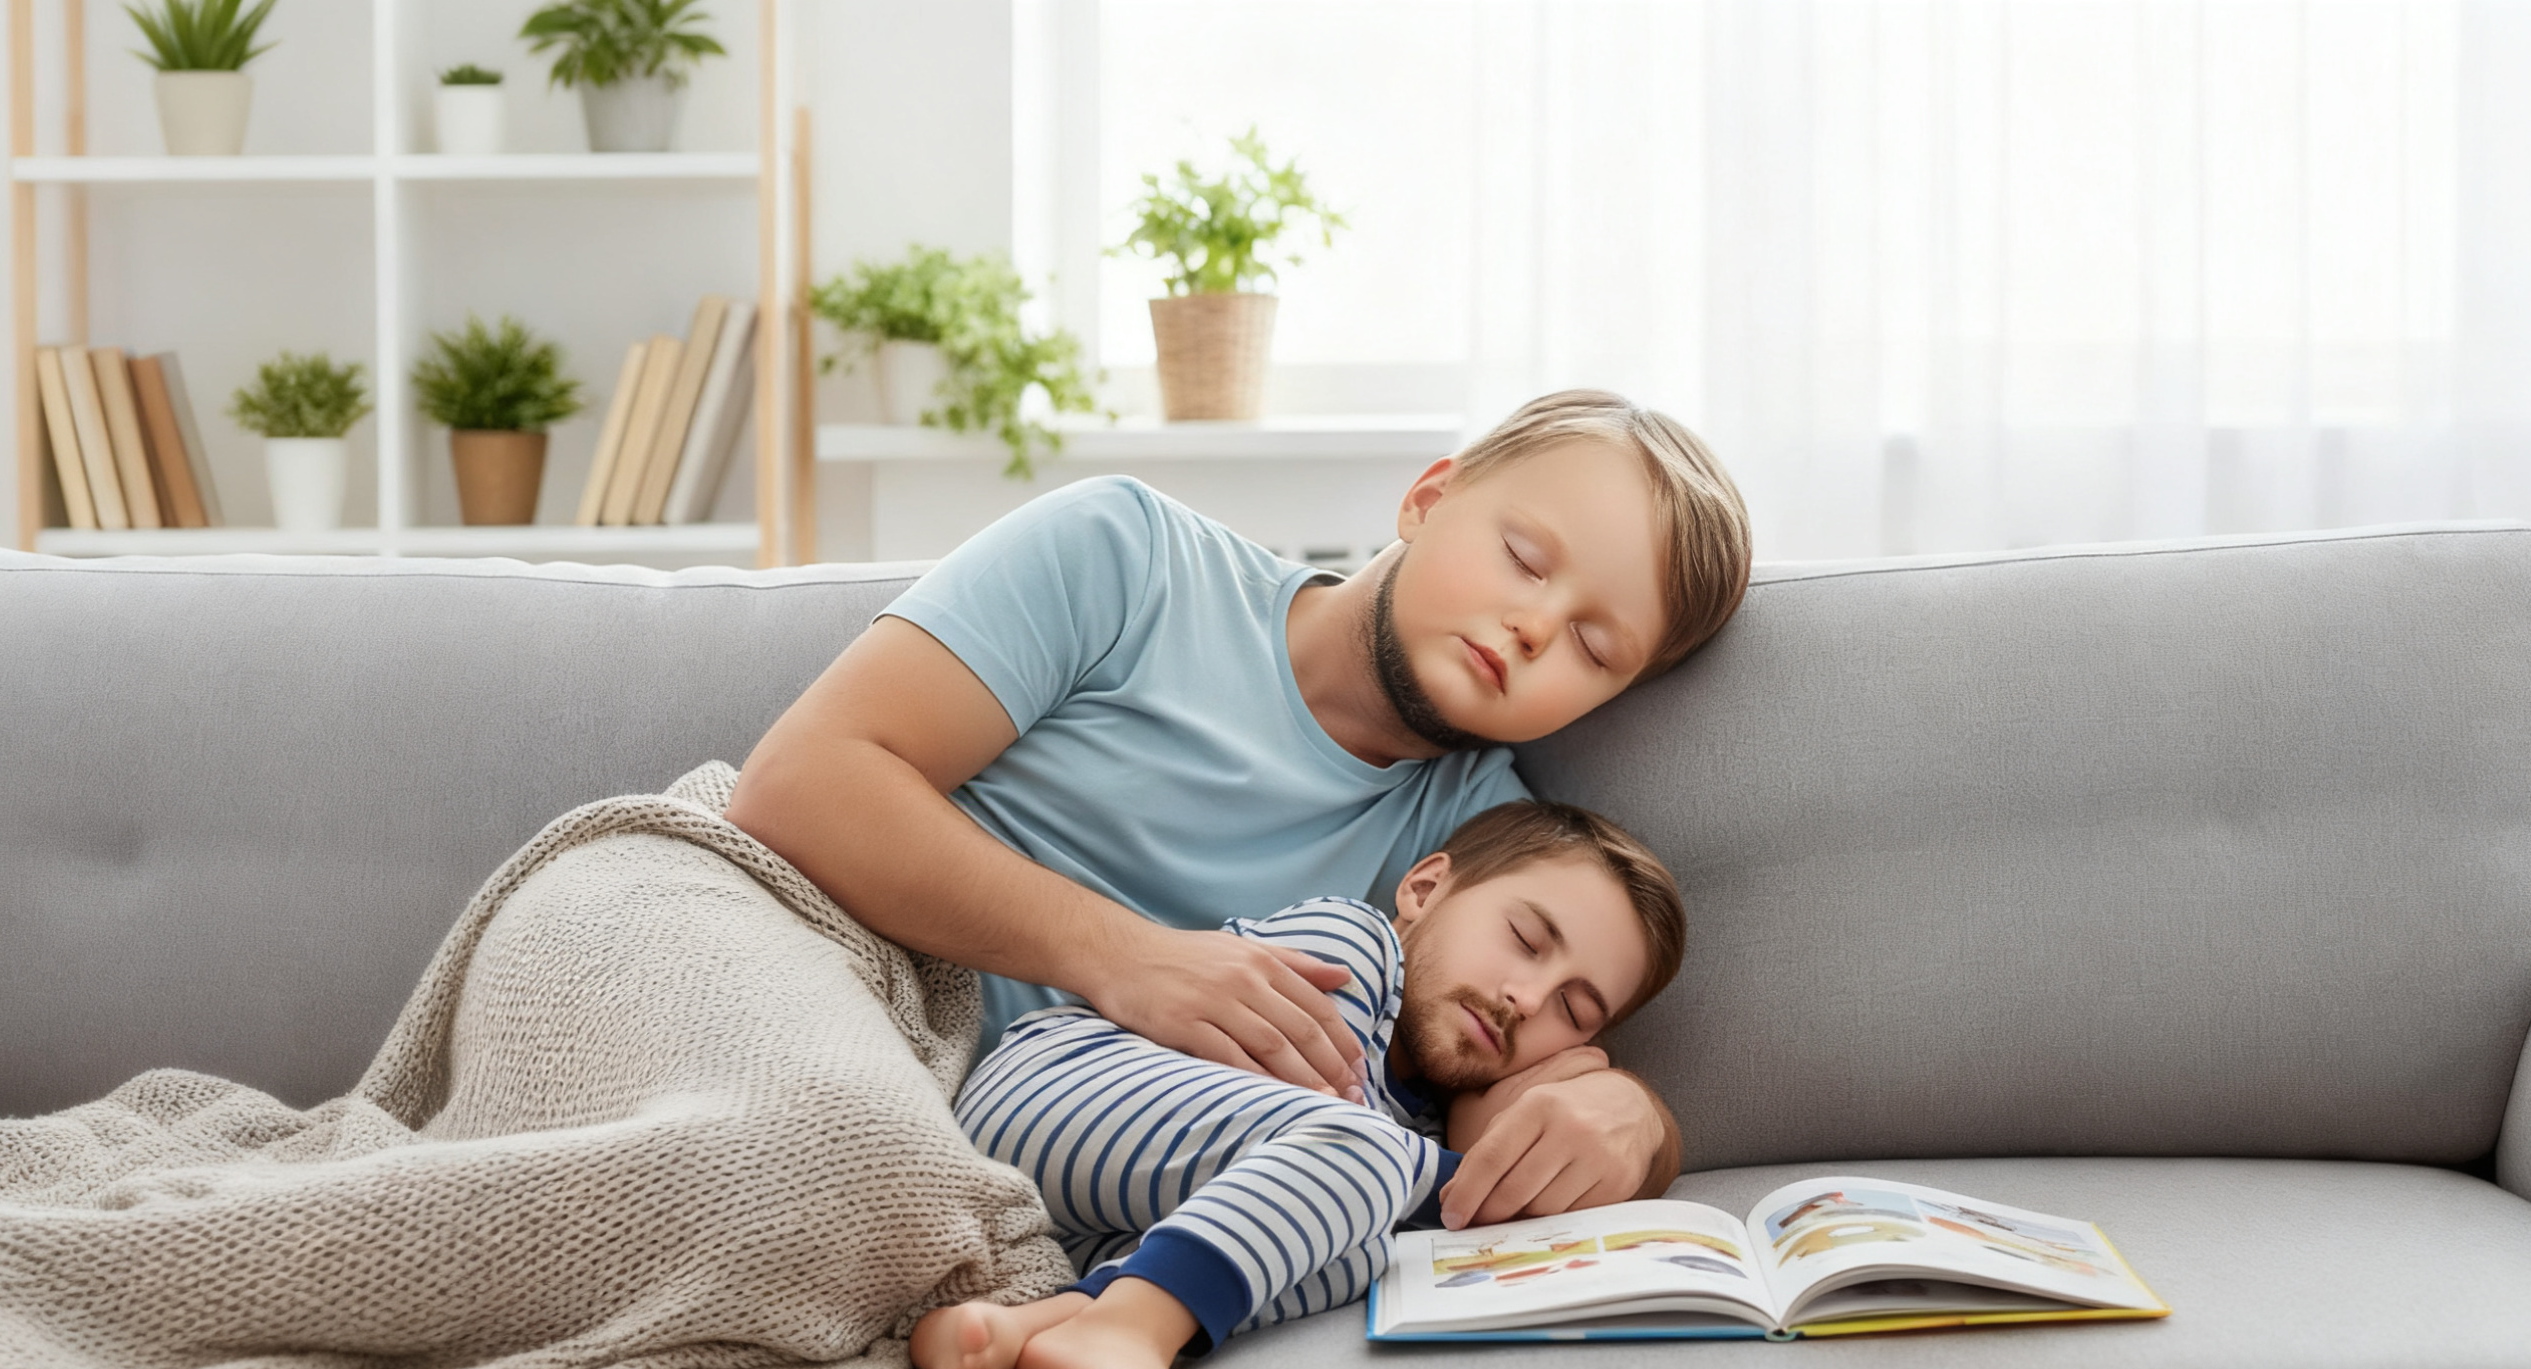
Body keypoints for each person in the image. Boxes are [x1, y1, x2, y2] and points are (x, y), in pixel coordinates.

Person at [726, 389, 1750, 1230]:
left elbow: (1465, 1107)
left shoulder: (1483, 849)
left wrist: (1639, 1121)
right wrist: (1124, 955)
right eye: (1525, 559)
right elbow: (797, 782)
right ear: (1428, 498)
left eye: (1592, 647)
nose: (1532, 625)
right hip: (804, 961)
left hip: (998, 1160)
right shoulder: (1124, 558)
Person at [915, 800, 1687, 1369]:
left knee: (1368, 1254)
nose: (1526, 997)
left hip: (1089, 1215)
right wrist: (1475, 1176)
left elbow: (1307, 1185)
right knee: (1375, 1174)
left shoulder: (1406, 1129)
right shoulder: (1347, 946)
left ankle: (1044, 1326)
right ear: (1423, 891)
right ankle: (1129, 1329)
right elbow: (1328, 1124)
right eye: (1522, 939)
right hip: (1054, 1090)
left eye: (1571, 1009)